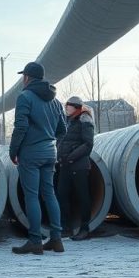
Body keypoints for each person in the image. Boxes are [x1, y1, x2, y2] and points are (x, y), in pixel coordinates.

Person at [9, 61, 67, 255]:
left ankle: (35, 240)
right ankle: (56, 240)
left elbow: (21, 127)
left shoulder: (25, 97)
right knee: (49, 194)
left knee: (32, 196)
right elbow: (62, 130)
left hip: (31, 153)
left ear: (26, 77)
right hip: (50, 152)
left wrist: (13, 150)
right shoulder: (56, 101)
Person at [56, 96, 95, 241]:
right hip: (65, 164)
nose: (66, 108)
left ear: (76, 107)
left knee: (82, 195)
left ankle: (85, 229)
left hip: (78, 165)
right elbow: (61, 140)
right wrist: (60, 155)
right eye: (66, 105)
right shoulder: (68, 122)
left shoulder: (85, 120)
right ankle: (66, 228)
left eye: (69, 105)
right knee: (62, 194)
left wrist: (71, 156)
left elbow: (88, 144)